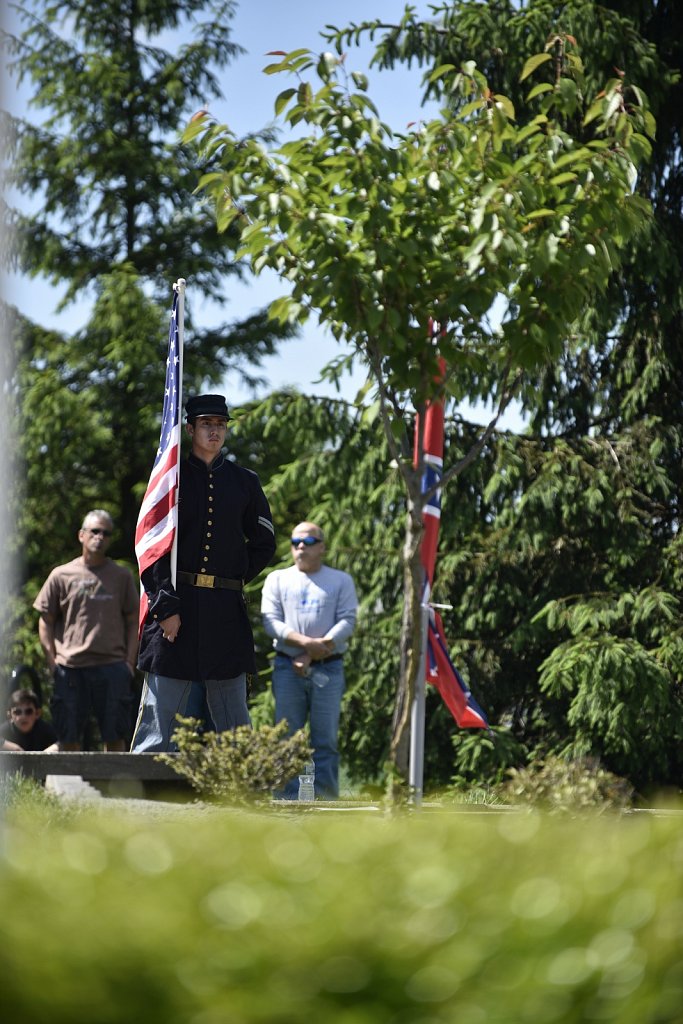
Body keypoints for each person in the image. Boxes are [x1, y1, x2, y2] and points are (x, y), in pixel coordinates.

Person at [131, 394, 276, 752]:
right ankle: (146, 793)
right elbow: (151, 547)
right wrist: (165, 607)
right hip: (175, 604)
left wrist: (233, 577)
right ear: (190, 428)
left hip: (224, 609)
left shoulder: (244, 481)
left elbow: (264, 541)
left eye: (221, 425)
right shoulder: (171, 478)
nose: (215, 431)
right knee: (161, 713)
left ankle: (237, 789)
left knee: (232, 713)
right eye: (207, 424)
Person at [261, 521, 358, 799]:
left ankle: (326, 799)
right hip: (287, 668)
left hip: (329, 667)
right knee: (287, 739)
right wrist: (305, 645)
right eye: (295, 542)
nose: (301, 546)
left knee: (325, 740)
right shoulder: (277, 579)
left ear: (322, 547)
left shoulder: (340, 580)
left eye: (309, 541)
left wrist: (313, 652)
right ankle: (286, 799)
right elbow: (271, 622)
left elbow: (347, 621)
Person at [33, 509, 139, 751]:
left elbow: (134, 619)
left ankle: (114, 788)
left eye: (106, 533)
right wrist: (52, 661)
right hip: (70, 668)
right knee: (68, 738)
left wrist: (129, 663)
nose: (100, 537)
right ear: (81, 535)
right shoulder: (61, 575)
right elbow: (45, 620)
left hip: (112, 667)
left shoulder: (121, 576)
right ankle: (69, 789)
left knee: (115, 737)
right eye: (95, 531)